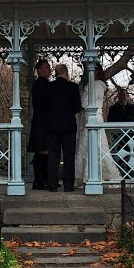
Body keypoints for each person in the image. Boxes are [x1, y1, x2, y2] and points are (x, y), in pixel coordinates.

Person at [76, 66, 121, 185]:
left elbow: (85, 102)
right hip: (90, 118)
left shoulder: (97, 85)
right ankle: (86, 176)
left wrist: (80, 98)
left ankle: (93, 175)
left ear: (96, 72)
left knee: (94, 145)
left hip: (93, 118)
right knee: (86, 146)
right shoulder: (96, 85)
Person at [45, 64, 83, 192]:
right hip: (68, 126)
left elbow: (44, 105)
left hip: (51, 126)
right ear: (66, 74)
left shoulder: (49, 87)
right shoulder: (73, 87)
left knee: (53, 156)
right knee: (69, 156)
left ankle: (52, 184)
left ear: (56, 74)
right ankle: (68, 185)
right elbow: (77, 106)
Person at [26, 59, 52, 190]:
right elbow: (45, 103)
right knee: (43, 151)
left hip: (42, 121)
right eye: (47, 68)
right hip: (42, 121)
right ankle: (39, 181)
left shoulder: (42, 84)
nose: (49, 70)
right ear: (40, 70)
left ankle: (43, 180)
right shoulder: (41, 84)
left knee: (43, 152)